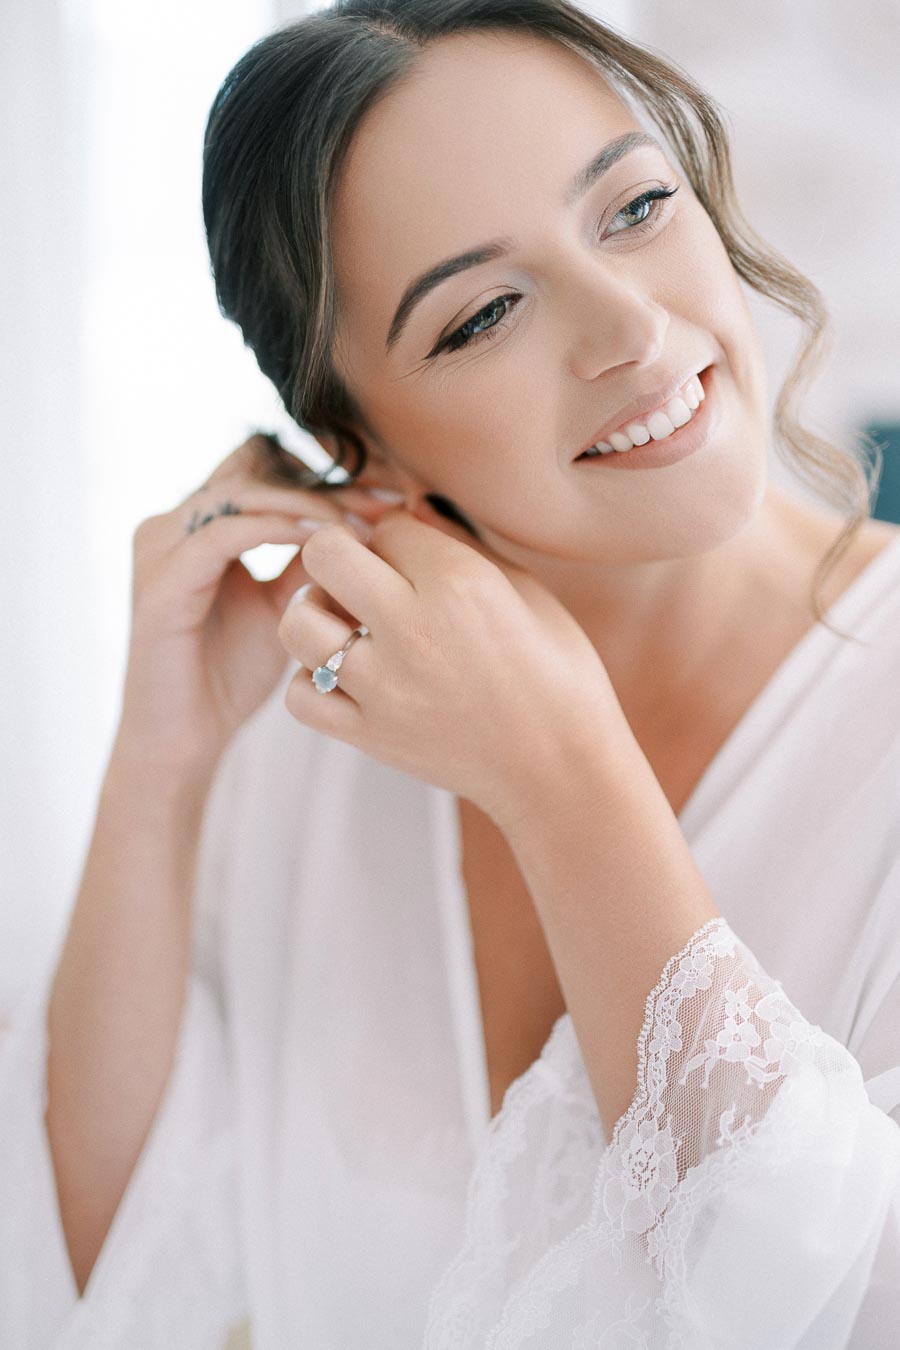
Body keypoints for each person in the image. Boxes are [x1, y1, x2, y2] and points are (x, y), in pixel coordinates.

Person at [2, 1, 899, 1346]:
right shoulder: (311, 739)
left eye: (635, 207)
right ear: (361, 446)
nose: (630, 328)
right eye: (483, 313)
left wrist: (563, 779)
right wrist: (162, 763)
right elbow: (97, 1286)